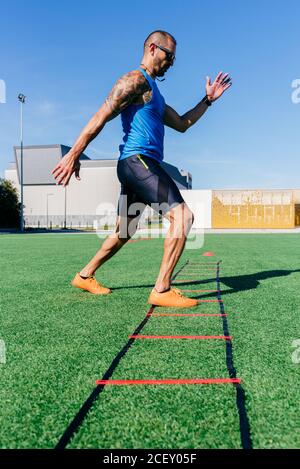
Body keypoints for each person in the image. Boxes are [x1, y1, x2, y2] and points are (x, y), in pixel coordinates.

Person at [51, 30, 232, 308]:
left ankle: (85, 275)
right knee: (182, 217)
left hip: (135, 166)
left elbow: (183, 124)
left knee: (123, 231)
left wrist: (207, 101)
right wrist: (74, 153)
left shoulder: (154, 93)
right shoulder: (135, 80)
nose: (172, 62)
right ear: (152, 47)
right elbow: (102, 114)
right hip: (138, 161)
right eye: (169, 55)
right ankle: (161, 290)